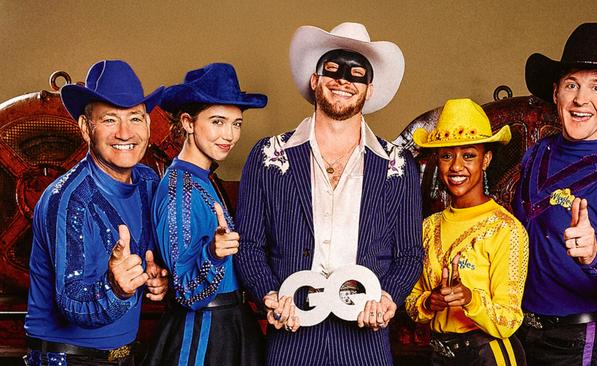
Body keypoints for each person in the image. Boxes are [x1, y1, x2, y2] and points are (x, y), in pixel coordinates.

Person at [235, 22, 423, 366]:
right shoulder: (268, 156)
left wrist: (387, 297)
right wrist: (270, 297)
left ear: (368, 89)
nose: (343, 80)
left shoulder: (397, 164)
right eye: (332, 70)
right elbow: (248, 245)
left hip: (365, 335)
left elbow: (410, 253)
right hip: (292, 331)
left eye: (356, 75)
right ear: (314, 80)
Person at [513, 22, 597, 365]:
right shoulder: (537, 153)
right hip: (519, 330)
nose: (580, 99)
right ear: (556, 91)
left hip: (578, 340)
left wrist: (594, 255)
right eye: (572, 84)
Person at [24, 60, 169, 366]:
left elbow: (148, 260)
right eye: (109, 120)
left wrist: (154, 277)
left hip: (125, 355)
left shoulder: (148, 183)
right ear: (85, 128)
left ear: (148, 124)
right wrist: (116, 287)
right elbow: (71, 302)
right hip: (67, 359)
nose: (125, 132)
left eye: (135, 118)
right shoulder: (66, 199)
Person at [144, 63, 267, 365]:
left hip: (230, 327)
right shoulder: (179, 189)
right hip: (204, 335)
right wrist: (213, 252)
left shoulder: (202, 179)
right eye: (217, 121)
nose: (230, 135)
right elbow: (187, 293)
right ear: (187, 122)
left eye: (236, 123)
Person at [405, 99, 529, 365]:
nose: (456, 166)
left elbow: (509, 320)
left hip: (488, 354)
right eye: (447, 155)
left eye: (469, 155)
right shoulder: (429, 226)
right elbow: (412, 302)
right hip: (440, 354)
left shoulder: (505, 229)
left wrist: (471, 299)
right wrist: (429, 302)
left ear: (486, 159)